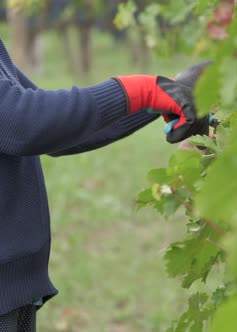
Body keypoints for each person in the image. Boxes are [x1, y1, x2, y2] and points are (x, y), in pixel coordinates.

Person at [0, 38, 209, 331]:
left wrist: (169, 91)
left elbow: (53, 129)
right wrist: (143, 90)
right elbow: (23, 123)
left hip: (13, 287)